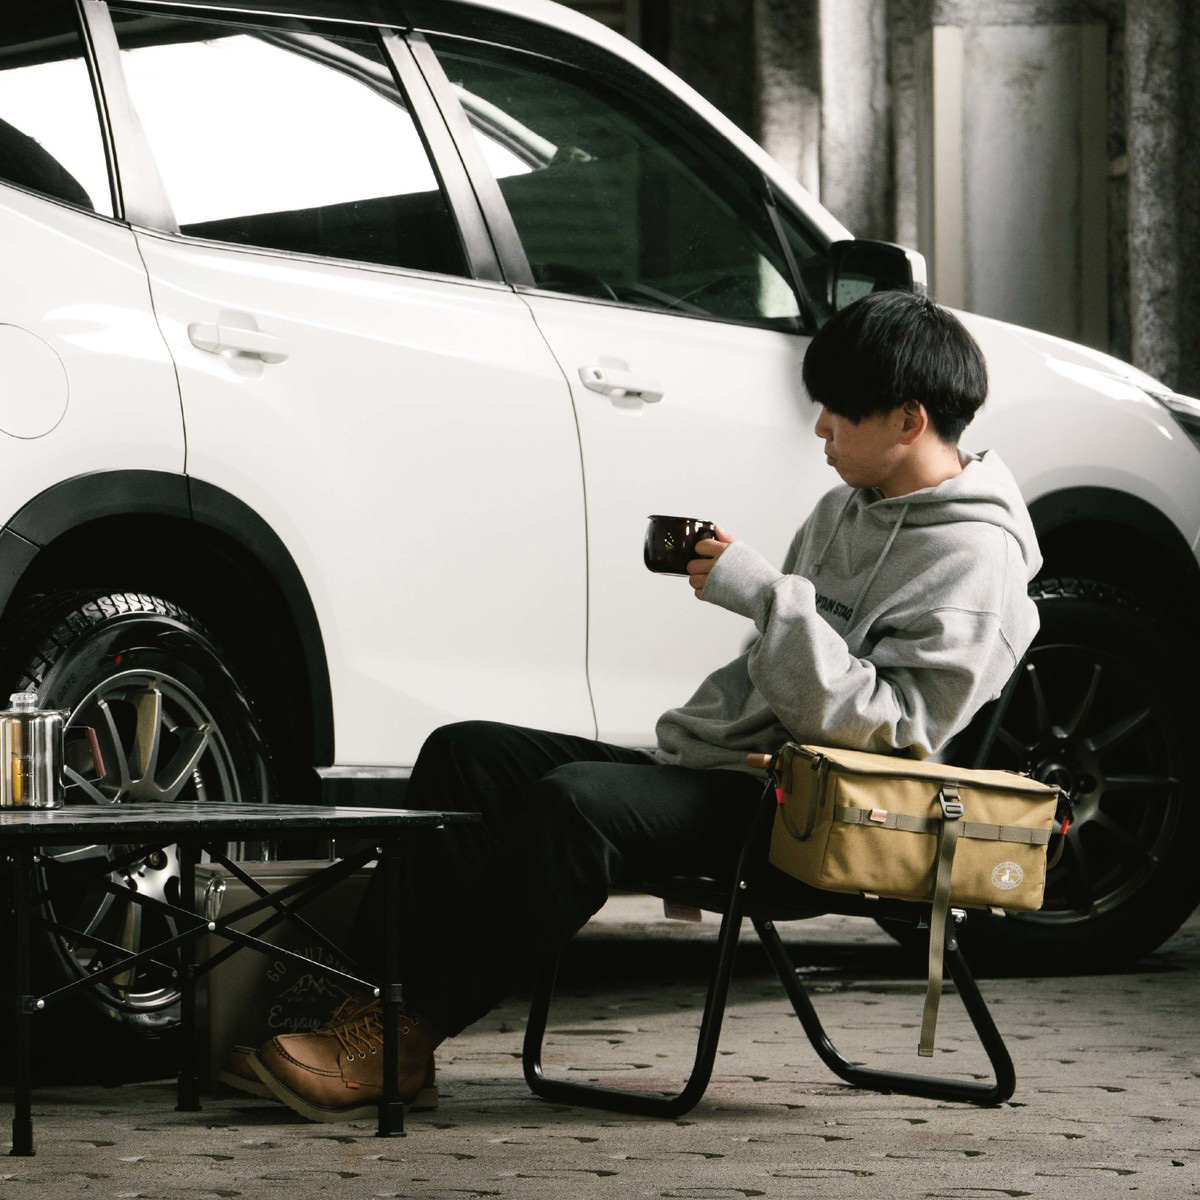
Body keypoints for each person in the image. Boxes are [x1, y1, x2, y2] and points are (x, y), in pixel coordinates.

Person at [244, 289, 1043, 1121]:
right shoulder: (843, 510)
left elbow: (897, 736)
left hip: (816, 817)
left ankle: (403, 1038)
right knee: (465, 752)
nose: (821, 430)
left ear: (909, 421)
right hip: (724, 771)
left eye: (840, 412)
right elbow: (786, 660)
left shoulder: (976, 563)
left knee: (578, 804)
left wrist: (768, 596)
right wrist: (767, 611)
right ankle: (354, 1012)